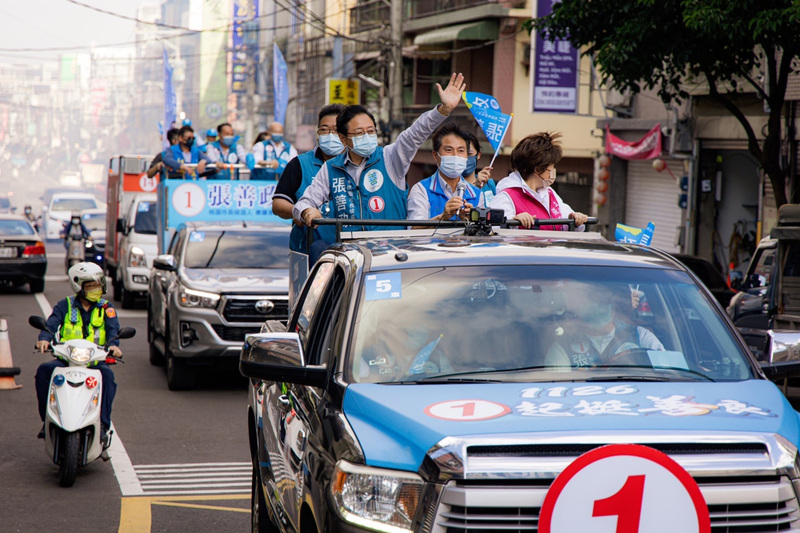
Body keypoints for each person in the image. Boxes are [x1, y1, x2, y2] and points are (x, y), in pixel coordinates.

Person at [294, 72, 467, 235]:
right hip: (351, 252)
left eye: (371, 131)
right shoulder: (331, 168)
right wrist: (308, 211)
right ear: (343, 138)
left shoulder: (391, 157)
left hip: (390, 252)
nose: (367, 137)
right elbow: (304, 202)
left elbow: (415, 133)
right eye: (360, 133)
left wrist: (443, 110)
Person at [34, 262, 121, 445]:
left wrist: (114, 346)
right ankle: (47, 420)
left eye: (99, 284)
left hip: (95, 362)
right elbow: (51, 325)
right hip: (67, 361)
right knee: (44, 372)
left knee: (108, 378)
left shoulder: (107, 308)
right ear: (77, 286)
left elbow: (113, 331)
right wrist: (44, 339)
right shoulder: (64, 305)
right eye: (90, 286)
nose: (96, 289)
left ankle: (104, 425)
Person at [274, 104, 345, 253]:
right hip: (306, 250)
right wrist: (301, 212)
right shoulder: (299, 164)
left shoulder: (357, 166)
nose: (330, 135)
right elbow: (278, 204)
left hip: (349, 250)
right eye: (324, 130)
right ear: (318, 134)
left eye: (336, 130)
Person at [544, 282, 664, 368]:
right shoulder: (564, 346)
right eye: (590, 301)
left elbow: (667, 368)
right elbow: (558, 387)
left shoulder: (639, 335)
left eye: (602, 300)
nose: (596, 306)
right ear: (578, 309)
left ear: (612, 307)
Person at [490, 132, 588, 230]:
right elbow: (493, 230)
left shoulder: (549, 193)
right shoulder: (506, 197)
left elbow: (569, 220)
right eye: (552, 167)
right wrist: (513, 221)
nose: (553, 171)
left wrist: (576, 219)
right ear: (538, 169)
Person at [407, 123, 484, 223]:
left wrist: (471, 221)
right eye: (449, 150)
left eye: (461, 150)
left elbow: (483, 235)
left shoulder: (477, 195)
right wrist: (442, 217)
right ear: (435, 155)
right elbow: (414, 229)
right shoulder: (421, 190)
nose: (455, 156)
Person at [462, 130, 496, 204]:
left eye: (469, 153)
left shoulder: (489, 185)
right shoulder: (449, 186)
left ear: (478, 155)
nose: (465, 158)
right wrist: (475, 187)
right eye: (461, 152)